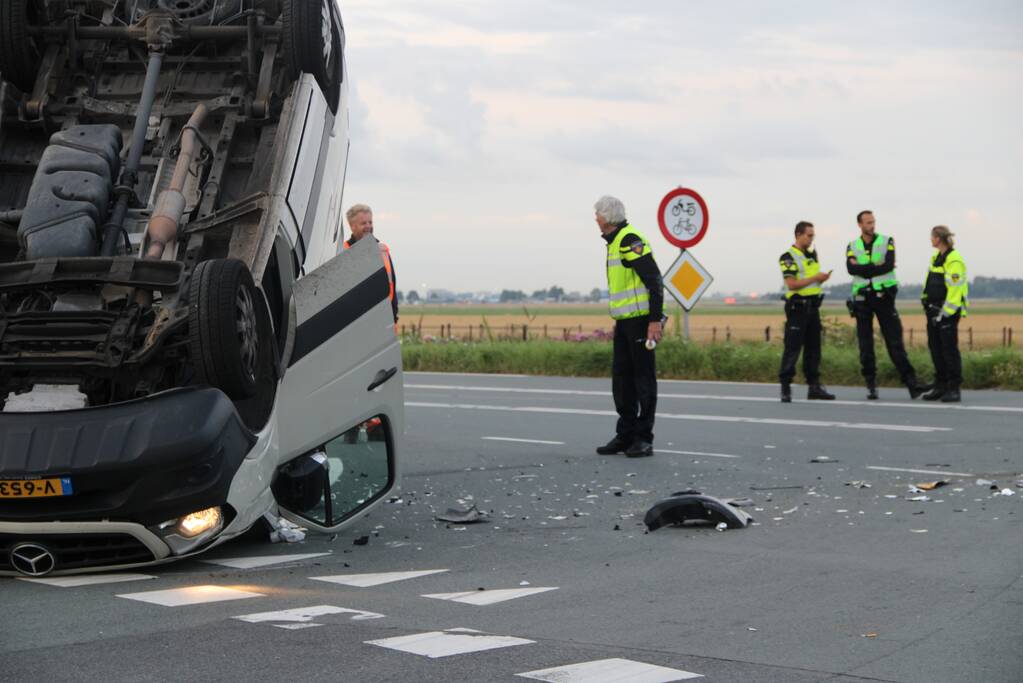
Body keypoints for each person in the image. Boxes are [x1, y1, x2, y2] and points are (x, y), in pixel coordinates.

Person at [593, 196, 663, 458]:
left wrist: (654, 321)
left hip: (641, 321)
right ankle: (625, 435)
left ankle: (643, 438)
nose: (596, 220)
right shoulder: (613, 242)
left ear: (608, 217)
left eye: (597, 215)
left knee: (643, 380)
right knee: (622, 380)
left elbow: (654, 280)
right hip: (624, 322)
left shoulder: (629, 240)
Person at [846, 210, 929, 400]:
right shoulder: (852, 245)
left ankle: (912, 384)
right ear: (859, 224)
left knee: (895, 342)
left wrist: (863, 268)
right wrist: (874, 267)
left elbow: (888, 265)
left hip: (884, 297)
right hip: (862, 299)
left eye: (873, 222)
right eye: (867, 222)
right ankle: (871, 385)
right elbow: (851, 269)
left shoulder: (887, 240)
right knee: (865, 345)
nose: (872, 225)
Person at [778, 221, 835, 403]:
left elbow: (811, 282)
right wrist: (816, 278)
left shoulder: (812, 255)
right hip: (798, 308)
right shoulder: (788, 256)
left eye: (813, 235)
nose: (812, 239)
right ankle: (786, 387)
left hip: (813, 307)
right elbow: (792, 284)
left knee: (814, 349)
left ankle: (814, 387)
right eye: (809, 235)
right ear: (798, 235)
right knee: (792, 348)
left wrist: (821, 279)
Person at [922, 226, 968, 403]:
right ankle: (940, 386)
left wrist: (945, 313)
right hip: (933, 311)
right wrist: (925, 301)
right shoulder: (936, 258)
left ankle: (954, 388)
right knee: (936, 350)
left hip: (946, 313)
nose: (930, 240)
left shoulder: (954, 259)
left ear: (938, 238)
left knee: (949, 351)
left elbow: (955, 290)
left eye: (932, 237)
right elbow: (930, 283)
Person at [344, 204, 398, 323]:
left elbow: (393, 287)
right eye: (363, 223)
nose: (368, 226)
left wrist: (394, 319)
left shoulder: (383, 251)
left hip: (382, 320)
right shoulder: (342, 252)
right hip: (354, 322)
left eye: (370, 222)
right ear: (352, 226)